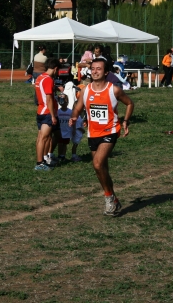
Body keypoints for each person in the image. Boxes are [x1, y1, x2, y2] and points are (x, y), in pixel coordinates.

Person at [69, 58, 134, 216]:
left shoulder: (114, 90)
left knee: (97, 164)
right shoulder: (86, 90)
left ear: (106, 72)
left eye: (99, 69)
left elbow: (130, 103)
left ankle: (109, 199)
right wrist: (74, 117)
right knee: (102, 169)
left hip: (110, 131)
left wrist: (125, 121)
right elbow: (78, 107)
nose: (95, 71)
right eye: (93, 68)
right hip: (93, 133)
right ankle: (113, 199)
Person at [34, 58, 61, 171]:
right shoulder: (49, 79)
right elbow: (49, 99)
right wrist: (53, 115)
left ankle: (43, 160)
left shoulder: (40, 77)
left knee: (41, 137)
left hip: (40, 110)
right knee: (44, 138)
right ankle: (40, 163)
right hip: (47, 112)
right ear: (55, 68)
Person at [56, 94, 84, 162]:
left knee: (65, 144)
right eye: (62, 102)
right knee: (60, 143)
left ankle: (63, 156)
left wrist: (74, 129)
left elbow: (73, 121)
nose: (64, 103)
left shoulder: (70, 112)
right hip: (60, 131)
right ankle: (59, 155)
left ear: (68, 102)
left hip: (68, 131)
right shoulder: (58, 112)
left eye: (65, 101)